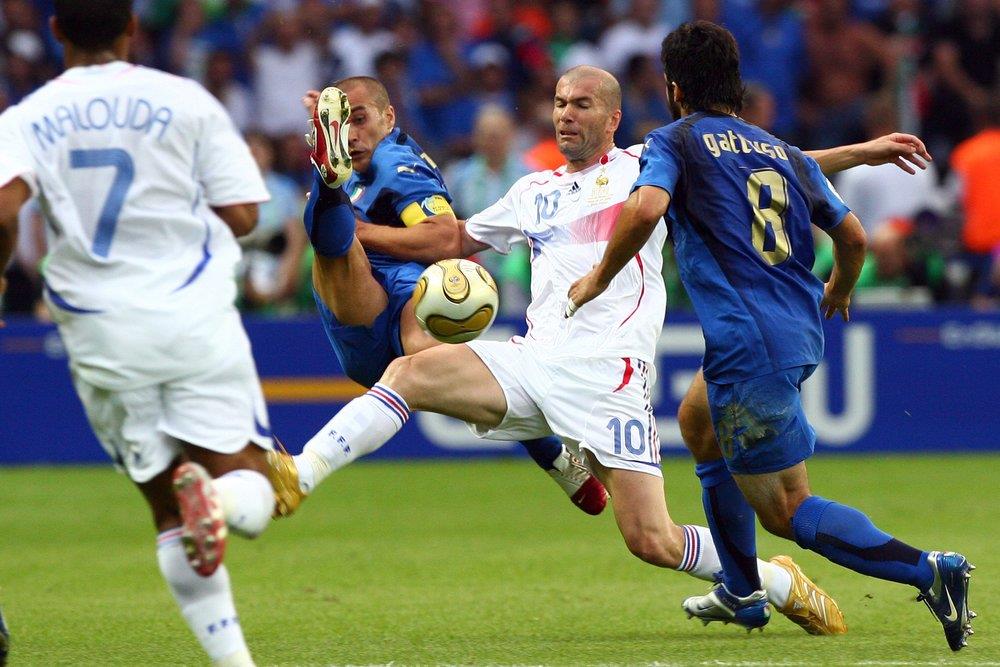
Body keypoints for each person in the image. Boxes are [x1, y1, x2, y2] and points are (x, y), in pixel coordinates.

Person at [277, 64, 858, 636]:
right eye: (559, 103)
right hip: (533, 361)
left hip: (608, 376)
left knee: (651, 539)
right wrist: (353, 231)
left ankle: (776, 581)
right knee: (408, 373)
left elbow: (760, 164)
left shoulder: (645, 165)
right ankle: (301, 472)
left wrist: (861, 151)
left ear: (613, 118)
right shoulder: (534, 190)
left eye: (581, 104)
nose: (566, 115)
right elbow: (452, 237)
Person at [567, 21, 974, 651]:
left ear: (674, 88)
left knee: (787, 509)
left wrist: (598, 278)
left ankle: (930, 571)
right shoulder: (771, 146)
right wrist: (840, 288)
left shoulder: (674, 140)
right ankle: (741, 590)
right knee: (699, 420)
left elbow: (646, 207)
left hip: (747, 344)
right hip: (794, 328)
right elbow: (853, 235)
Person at [0, 2, 282, 665]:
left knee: (166, 508)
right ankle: (217, 497)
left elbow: (5, 207)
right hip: (192, 314)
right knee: (254, 489)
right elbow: (244, 214)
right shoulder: (186, 100)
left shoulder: (25, 117)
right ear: (133, 28)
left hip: (101, 332)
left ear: (56, 31)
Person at [265, 78, 608, 518]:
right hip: (360, 306)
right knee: (337, 237)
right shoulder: (362, 158)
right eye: (341, 126)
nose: (351, 136)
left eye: (360, 120)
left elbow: (444, 237)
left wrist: (361, 230)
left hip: (403, 304)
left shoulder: (399, 165)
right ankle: (554, 457)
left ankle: (327, 184)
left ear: (389, 118)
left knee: (343, 242)